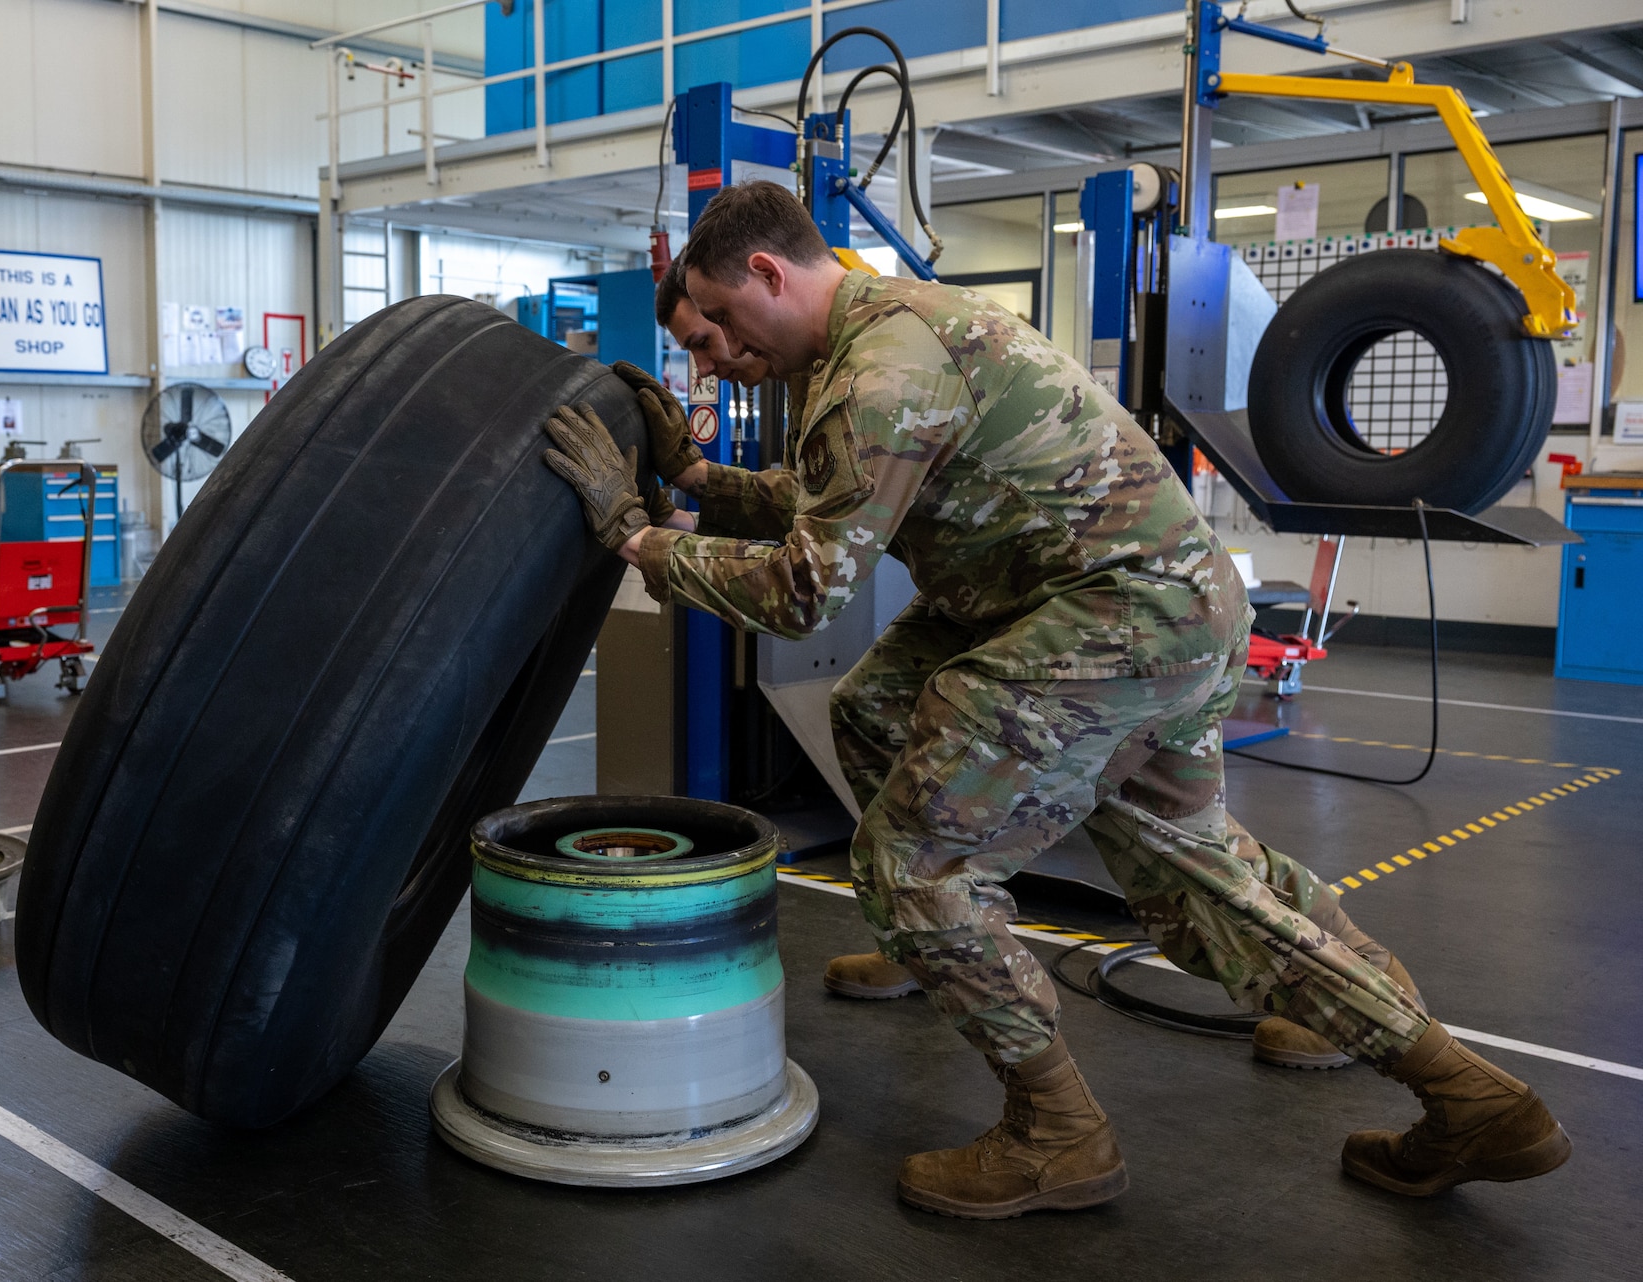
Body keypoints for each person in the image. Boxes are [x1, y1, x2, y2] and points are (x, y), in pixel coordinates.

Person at [540, 179, 1569, 1219]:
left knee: (922, 858)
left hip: (1111, 619)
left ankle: (1054, 1128)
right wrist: (698, 481)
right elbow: (840, 498)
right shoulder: (880, 335)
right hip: (1131, 600)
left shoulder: (874, 375)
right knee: (904, 721)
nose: (710, 355)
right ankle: (1353, 1010)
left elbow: (807, 588)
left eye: (714, 324)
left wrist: (635, 534)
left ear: (768, 272)